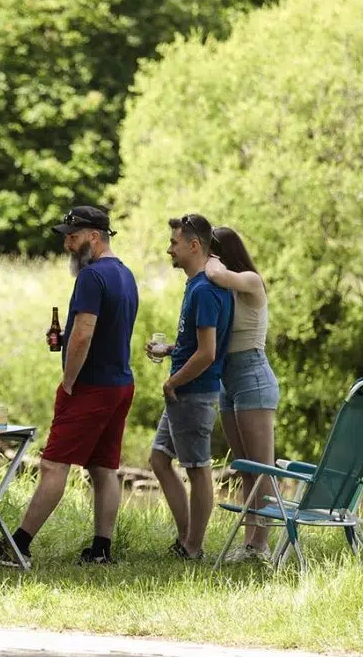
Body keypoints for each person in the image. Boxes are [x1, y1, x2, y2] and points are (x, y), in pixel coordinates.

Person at [0, 205, 139, 567]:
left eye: (73, 236)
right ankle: (101, 550)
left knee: (53, 466)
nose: (67, 244)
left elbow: (84, 334)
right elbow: (103, 330)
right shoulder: (125, 275)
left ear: (94, 236)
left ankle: (18, 546)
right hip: (120, 383)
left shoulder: (91, 277)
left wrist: (68, 379)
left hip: (91, 386)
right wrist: (66, 339)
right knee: (103, 469)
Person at [145, 214, 233, 561]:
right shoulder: (197, 286)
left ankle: (193, 547)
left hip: (193, 393)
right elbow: (197, 343)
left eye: (174, 243)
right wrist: (170, 351)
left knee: (197, 470)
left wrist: (172, 381)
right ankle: (185, 537)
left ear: (193, 245)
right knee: (158, 459)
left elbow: (208, 353)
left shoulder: (206, 290)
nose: (169, 249)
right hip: (184, 391)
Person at [206, 227, 279, 562]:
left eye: (209, 250)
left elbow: (218, 274)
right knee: (245, 468)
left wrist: (206, 257)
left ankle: (260, 545)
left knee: (262, 467)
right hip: (228, 378)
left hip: (253, 375)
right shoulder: (226, 292)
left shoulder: (249, 280)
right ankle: (250, 542)